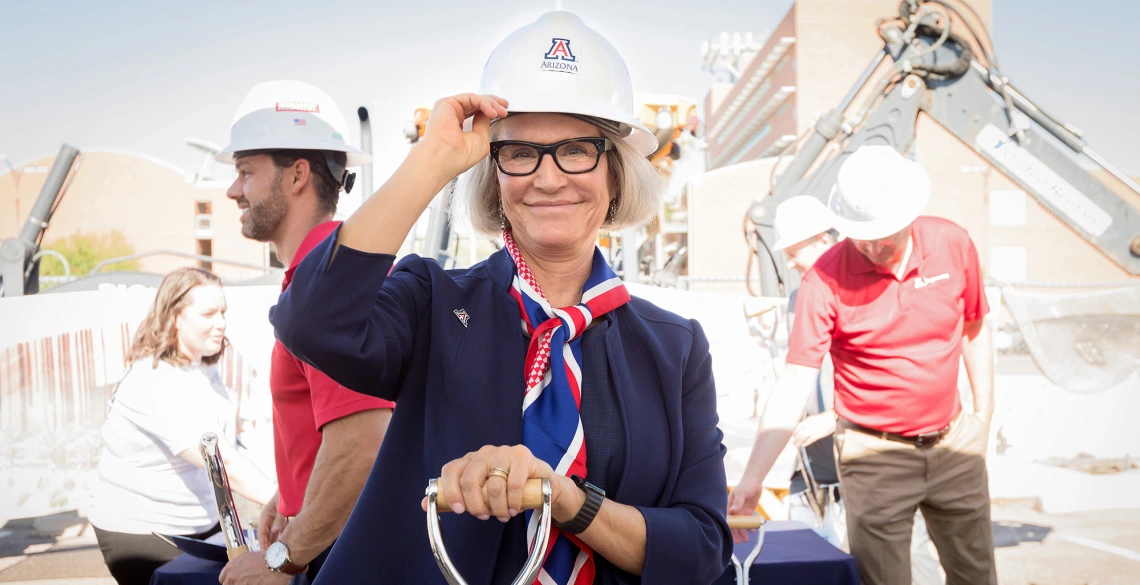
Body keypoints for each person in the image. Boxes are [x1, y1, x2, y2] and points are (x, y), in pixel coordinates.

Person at [270, 11, 731, 585]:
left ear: (615, 170)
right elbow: (312, 324)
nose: (548, 177)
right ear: (493, 171)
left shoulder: (675, 346)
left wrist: (564, 499)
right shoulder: (432, 305)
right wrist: (430, 162)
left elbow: (704, 549)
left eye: (577, 149)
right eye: (519, 153)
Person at [728, 145, 996, 585]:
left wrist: (983, 418)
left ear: (910, 213)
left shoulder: (953, 243)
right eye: (861, 234)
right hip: (873, 454)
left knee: (976, 575)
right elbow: (796, 379)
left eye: (885, 232)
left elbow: (973, 328)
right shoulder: (823, 281)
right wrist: (753, 478)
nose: (873, 245)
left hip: (954, 442)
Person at [213, 81, 395, 584]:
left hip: (346, 552)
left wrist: (282, 559)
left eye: (246, 172)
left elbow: (363, 445)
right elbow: (329, 431)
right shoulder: (320, 274)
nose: (233, 191)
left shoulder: (331, 287)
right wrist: (290, 496)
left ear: (296, 176)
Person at [88, 267, 276, 585]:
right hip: (143, 530)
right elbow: (220, 461)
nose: (221, 323)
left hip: (200, 523)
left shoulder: (201, 366)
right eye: (208, 314)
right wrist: (282, 502)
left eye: (223, 312)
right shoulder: (154, 379)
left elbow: (225, 432)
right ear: (175, 317)